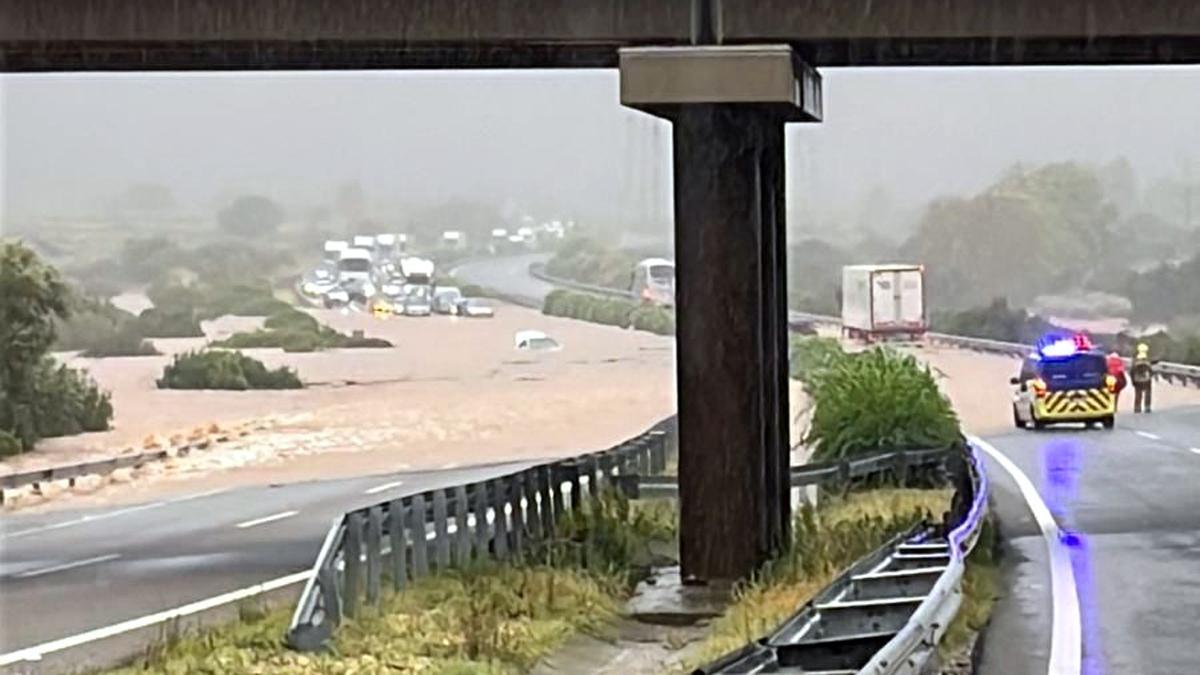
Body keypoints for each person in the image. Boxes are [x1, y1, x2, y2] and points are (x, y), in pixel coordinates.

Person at [1131, 343, 1154, 413]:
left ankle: (1137, 408)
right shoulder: (1147, 361)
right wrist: (1150, 376)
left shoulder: (1135, 361)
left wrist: (1133, 381)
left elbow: (1132, 371)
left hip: (1137, 380)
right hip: (1146, 380)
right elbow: (1150, 371)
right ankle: (1147, 407)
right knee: (1148, 394)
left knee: (1138, 394)